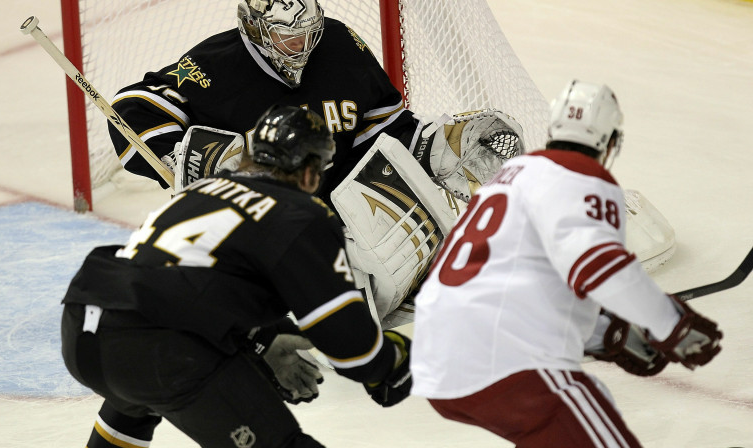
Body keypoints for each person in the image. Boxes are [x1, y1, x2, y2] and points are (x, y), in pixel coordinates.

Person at [107, 0, 526, 324]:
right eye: (291, 38)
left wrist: (434, 147)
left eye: (310, 32)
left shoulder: (339, 44)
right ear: (257, 30)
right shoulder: (216, 66)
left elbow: (382, 126)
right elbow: (131, 108)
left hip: (344, 218)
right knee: (344, 315)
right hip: (269, 234)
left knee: (405, 267)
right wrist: (197, 155)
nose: (304, 47)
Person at [62, 105, 413, 448]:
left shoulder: (200, 191)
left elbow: (193, 287)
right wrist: (387, 364)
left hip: (84, 329)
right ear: (309, 172)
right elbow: (350, 347)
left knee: (135, 390)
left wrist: (265, 341)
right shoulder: (299, 213)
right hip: (157, 343)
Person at [409, 80, 723, 447]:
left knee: (591, 404)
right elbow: (601, 268)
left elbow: (524, 287)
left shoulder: (507, 181)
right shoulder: (581, 176)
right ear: (609, 142)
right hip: (505, 358)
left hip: (437, 358)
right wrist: (673, 326)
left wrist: (608, 333)